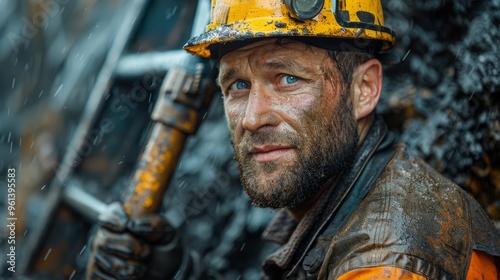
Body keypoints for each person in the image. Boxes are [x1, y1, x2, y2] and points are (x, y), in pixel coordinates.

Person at [88, 0, 500, 279]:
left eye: (287, 79)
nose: (252, 118)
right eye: (236, 86)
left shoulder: (389, 265)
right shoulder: (338, 199)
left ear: (365, 89)